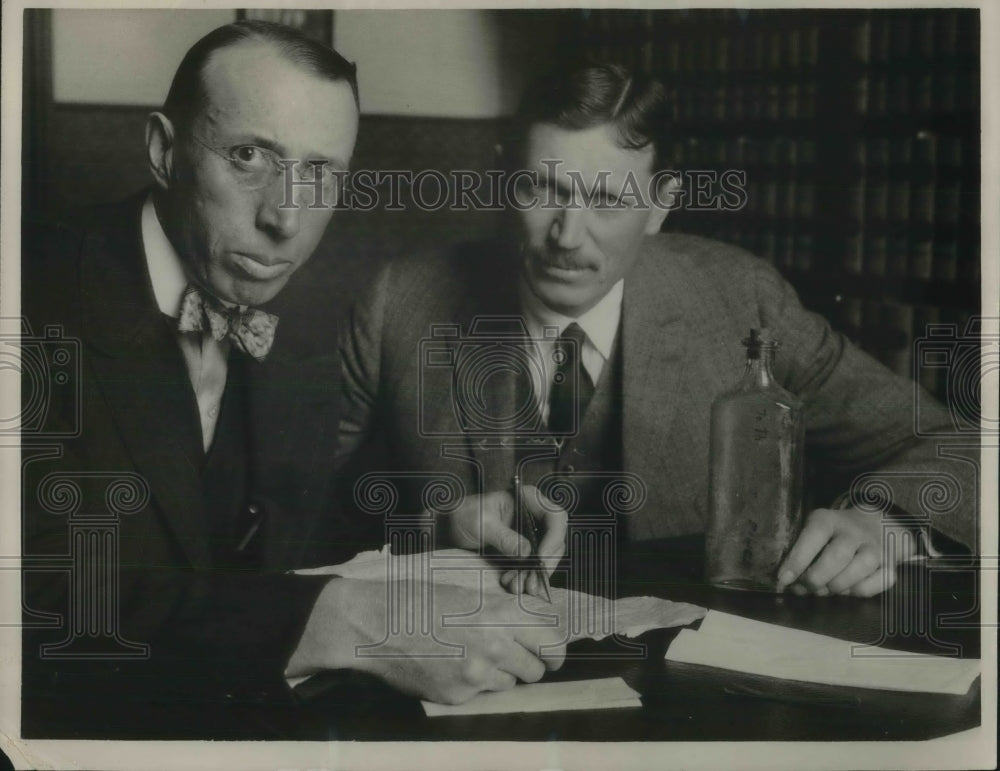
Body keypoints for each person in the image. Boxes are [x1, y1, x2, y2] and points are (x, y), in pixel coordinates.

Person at [20, 21, 566, 733]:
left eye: (321, 174)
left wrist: (439, 529)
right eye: (249, 156)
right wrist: (337, 621)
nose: (286, 218)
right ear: (163, 150)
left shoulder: (303, 319)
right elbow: (31, 605)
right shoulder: (29, 298)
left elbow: (283, 541)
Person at [337, 63, 978, 600]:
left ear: (660, 203)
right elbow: (291, 521)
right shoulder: (401, 302)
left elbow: (963, 447)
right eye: (543, 190)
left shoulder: (738, 300)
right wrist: (428, 532)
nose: (567, 235)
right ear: (506, 178)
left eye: (609, 200)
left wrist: (888, 521)